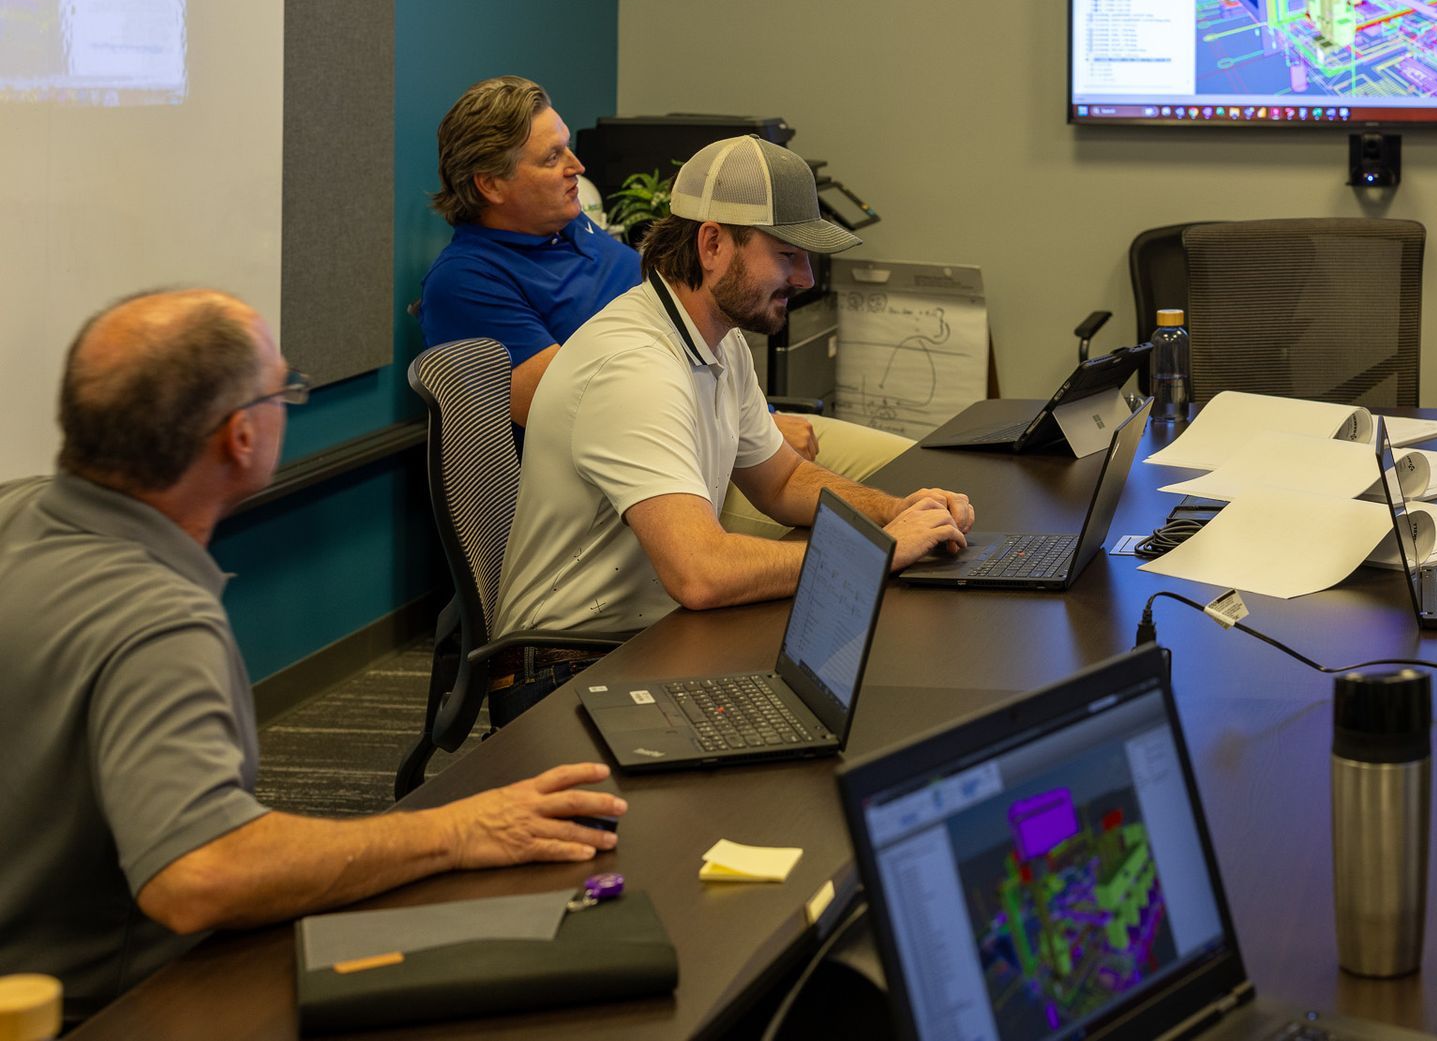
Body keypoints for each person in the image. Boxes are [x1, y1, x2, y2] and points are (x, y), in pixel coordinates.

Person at [0, 290, 628, 1026]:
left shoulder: (16, 515)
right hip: (117, 1006)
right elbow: (201, 873)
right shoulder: (154, 619)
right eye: (284, 392)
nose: (289, 406)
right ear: (240, 437)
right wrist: (460, 829)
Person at [488, 135, 974, 724]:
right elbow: (701, 572)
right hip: (565, 672)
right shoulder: (635, 367)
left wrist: (897, 510)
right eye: (788, 254)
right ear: (713, 243)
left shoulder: (719, 341)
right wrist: (881, 551)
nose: (805, 278)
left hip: (649, 636)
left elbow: (782, 480)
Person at [416, 76, 910, 536]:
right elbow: (572, 402)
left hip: (732, 429)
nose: (577, 166)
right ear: (490, 184)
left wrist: (753, 417)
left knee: (915, 473)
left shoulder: (576, 230)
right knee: (862, 541)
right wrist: (749, 424)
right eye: (551, 158)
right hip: (649, 473)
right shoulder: (466, 280)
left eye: (567, 146)